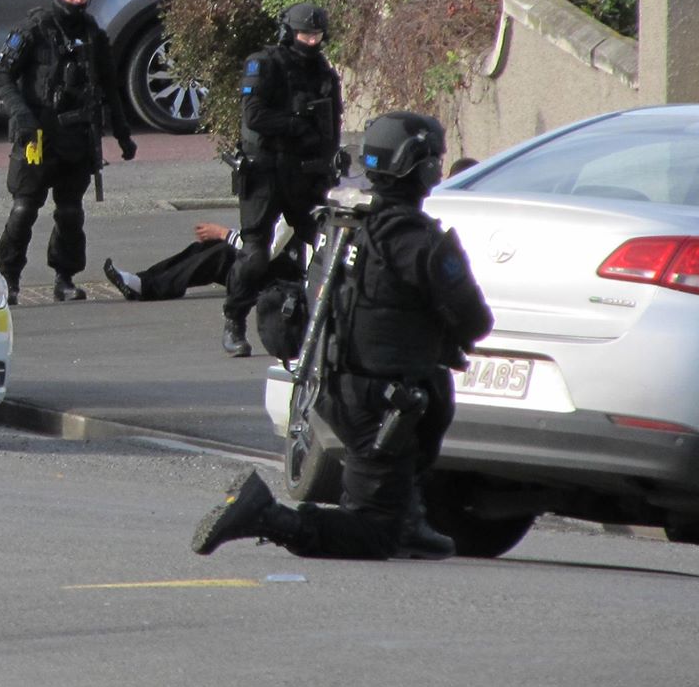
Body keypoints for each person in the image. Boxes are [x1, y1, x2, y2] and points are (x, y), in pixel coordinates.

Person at [190, 111, 494, 561]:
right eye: (434, 159)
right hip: (383, 402)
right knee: (372, 533)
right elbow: (476, 322)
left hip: (334, 385)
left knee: (416, 421)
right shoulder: (417, 240)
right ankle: (265, 515)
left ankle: (408, 518)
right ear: (420, 167)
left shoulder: (341, 220)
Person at [0, 0, 136, 302]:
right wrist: (22, 115)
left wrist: (123, 133)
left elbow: (110, 86)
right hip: (37, 136)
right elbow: (1, 76)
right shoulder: (34, 29)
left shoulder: (92, 34)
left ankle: (65, 277)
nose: (79, 0)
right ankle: (7, 277)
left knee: (70, 212)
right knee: (24, 209)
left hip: (78, 136)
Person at [220, 2, 344, 358]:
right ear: (289, 32)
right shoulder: (265, 64)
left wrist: (329, 163)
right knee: (255, 255)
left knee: (328, 245)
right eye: (305, 34)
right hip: (265, 172)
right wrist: (294, 122)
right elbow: (254, 115)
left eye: (317, 35)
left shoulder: (323, 72)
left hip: (305, 173)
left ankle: (326, 323)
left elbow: (330, 127)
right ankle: (234, 320)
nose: (311, 41)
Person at [102, 218, 300, 303]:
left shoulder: (295, 195)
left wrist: (223, 233)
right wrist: (225, 234)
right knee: (210, 248)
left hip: (295, 277)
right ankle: (144, 280)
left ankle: (147, 287)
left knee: (224, 254)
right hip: (286, 263)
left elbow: (267, 249)